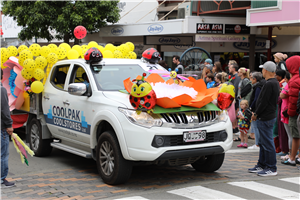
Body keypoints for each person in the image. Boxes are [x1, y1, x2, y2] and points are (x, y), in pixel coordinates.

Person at [249, 61, 279, 176]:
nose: (262, 71)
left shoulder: (269, 84)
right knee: (263, 142)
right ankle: (262, 164)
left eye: (263, 69)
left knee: (267, 143)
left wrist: (256, 113)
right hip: (268, 115)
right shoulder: (273, 82)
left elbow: (263, 102)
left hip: (265, 116)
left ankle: (271, 167)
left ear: (265, 70)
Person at [282, 56, 300, 166]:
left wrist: (290, 112)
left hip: (295, 112)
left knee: (295, 136)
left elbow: (293, 100)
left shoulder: (294, 80)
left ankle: (292, 157)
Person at [0, 68, 15, 188]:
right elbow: (4, 110)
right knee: (3, 154)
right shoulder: (1, 90)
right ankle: (1, 178)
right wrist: (9, 125)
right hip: (1, 128)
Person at [248, 72, 265, 150]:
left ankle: (257, 144)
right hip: (260, 109)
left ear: (255, 79)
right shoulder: (262, 84)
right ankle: (259, 143)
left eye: (251, 78)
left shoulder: (258, 86)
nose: (250, 79)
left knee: (256, 127)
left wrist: (251, 107)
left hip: (256, 109)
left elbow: (256, 99)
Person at [280, 72, 292, 160]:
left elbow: (282, 95)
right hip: (287, 111)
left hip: (287, 112)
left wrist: (283, 90)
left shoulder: (289, 85)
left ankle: (291, 154)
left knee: (291, 135)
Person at [228, 62, 241, 137]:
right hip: (234, 97)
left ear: (234, 69)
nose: (228, 69)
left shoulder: (236, 77)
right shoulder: (233, 76)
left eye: (230, 67)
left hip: (234, 97)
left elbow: (235, 88)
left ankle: (235, 127)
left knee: (235, 112)